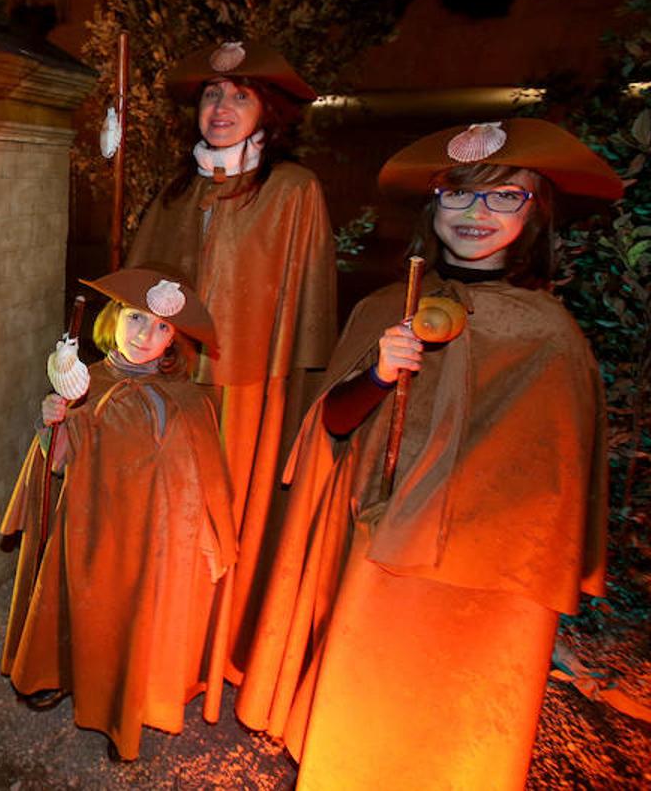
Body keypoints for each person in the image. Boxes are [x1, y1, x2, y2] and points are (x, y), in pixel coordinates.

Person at [235, 119, 619, 789]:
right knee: (361, 703)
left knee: (453, 725)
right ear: (433, 207)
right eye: (458, 195)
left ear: (536, 214)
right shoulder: (387, 305)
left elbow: (552, 486)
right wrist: (379, 374)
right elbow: (330, 425)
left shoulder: (550, 336)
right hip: (373, 548)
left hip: (484, 578)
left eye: (505, 197)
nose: (476, 213)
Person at [125, 39, 336, 681]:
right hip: (175, 389)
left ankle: (211, 650)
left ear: (266, 111)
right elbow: (136, 291)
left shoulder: (294, 192)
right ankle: (155, 642)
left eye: (240, 95)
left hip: (248, 398)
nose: (221, 106)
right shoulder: (174, 195)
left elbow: (309, 320)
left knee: (227, 525)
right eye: (213, 94)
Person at [0, 268, 237, 762]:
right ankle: (58, 671)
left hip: (148, 542)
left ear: (176, 339)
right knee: (72, 605)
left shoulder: (190, 401)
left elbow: (201, 483)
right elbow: (57, 463)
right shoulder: (84, 384)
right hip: (83, 531)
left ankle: (117, 710)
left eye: (163, 327)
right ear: (115, 317)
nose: (145, 335)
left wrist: (209, 537)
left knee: (127, 624)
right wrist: (53, 425)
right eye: (136, 318)